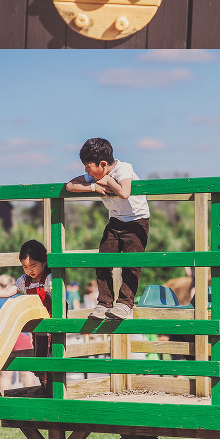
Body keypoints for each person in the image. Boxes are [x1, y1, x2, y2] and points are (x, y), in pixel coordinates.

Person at [66, 137, 150, 320]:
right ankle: (104, 303)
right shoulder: (96, 176)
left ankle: (125, 304)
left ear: (103, 164)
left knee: (131, 264)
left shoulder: (124, 168)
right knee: (103, 259)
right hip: (116, 221)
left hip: (137, 221)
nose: (86, 171)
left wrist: (108, 181)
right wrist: (94, 187)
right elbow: (70, 185)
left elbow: (124, 192)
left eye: (88, 166)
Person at [0, 239, 52, 388]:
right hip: (37, 326)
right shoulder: (25, 281)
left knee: (50, 356)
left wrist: (54, 290)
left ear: (44, 263)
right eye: (25, 267)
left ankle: (50, 387)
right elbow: (9, 291)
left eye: (33, 266)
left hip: (50, 324)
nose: (29, 270)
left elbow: (59, 299)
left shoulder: (49, 279)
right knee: (39, 357)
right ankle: (44, 385)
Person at [0, 275, 38, 391]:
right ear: (11, 284)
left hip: (2, 337)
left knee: (5, 374)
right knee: (27, 372)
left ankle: (6, 397)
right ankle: (31, 396)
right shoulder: (20, 299)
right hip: (21, 336)